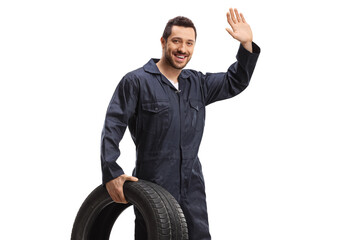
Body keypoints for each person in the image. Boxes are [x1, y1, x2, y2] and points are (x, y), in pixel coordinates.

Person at [101, 8, 260, 240]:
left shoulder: (198, 83)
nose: (182, 49)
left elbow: (235, 81)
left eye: (189, 43)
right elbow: (113, 126)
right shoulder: (136, 81)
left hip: (192, 185)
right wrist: (111, 171)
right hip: (153, 184)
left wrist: (247, 45)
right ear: (163, 42)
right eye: (176, 41)